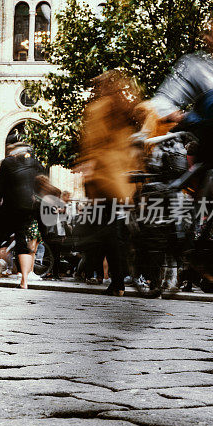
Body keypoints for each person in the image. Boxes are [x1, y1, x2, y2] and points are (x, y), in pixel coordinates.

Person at [79, 70, 141, 296]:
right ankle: (118, 282)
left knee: (105, 232)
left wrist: (88, 167)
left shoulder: (98, 108)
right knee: (115, 231)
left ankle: (116, 282)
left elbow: (93, 143)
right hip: (122, 181)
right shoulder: (125, 112)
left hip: (104, 179)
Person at [0, 136, 43, 289]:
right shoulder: (35, 163)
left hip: (11, 206)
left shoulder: (8, 162)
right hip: (29, 208)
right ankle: (24, 280)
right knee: (23, 244)